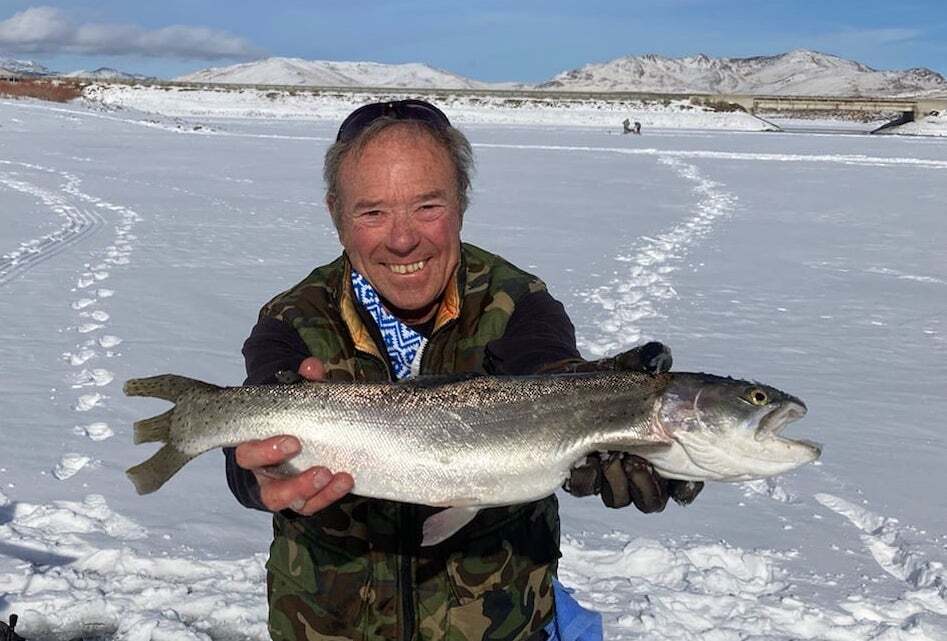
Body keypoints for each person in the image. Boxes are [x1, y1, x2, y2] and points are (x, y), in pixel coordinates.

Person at [224, 99, 702, 641]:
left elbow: (549, 372)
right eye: (372, 212)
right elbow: (251, 425)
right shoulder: (292, 319)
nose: (403, 239)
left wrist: (618, 416)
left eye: (427, 206)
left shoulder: (518, 305)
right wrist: (257, 472)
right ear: (337, 217)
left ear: (461, 203)